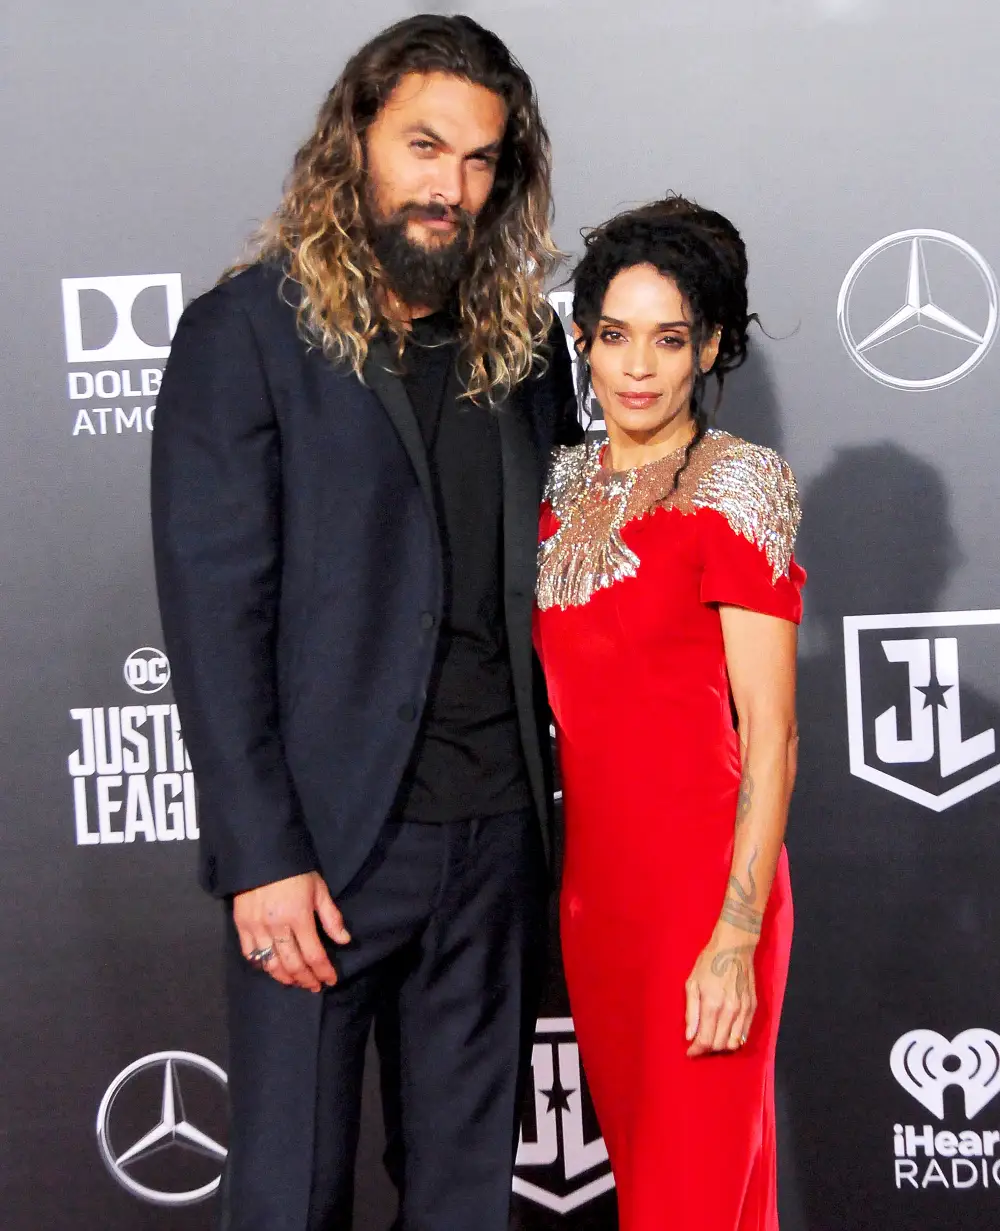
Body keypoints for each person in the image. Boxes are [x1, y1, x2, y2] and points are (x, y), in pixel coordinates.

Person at [150, 14, 582, 1231]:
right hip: (324, 855)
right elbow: (215, 617)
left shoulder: (521, 346)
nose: (450, 187)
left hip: (493, 838)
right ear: (355, 142)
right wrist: (260, 855)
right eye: (424, 146)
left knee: (464, 1200)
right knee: (290, 1193)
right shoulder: (247, 334)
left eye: (480, 160)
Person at [533, 197, 804, 1231]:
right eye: (614, 335)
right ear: (582, 341)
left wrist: (736, 933)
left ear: (712, 346)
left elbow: (772, 735)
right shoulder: (556, 487)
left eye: (669, 338)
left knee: (683, 1205)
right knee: (685, 1198)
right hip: (597, 907)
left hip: (708, 897)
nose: (637, 367)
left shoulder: (738, 486)